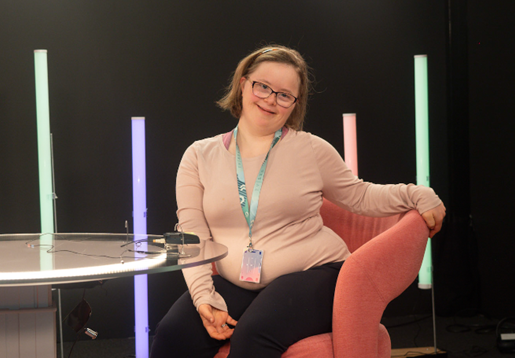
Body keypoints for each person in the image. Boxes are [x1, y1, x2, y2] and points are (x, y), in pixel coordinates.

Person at [150, 44, 446, 358]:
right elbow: (192, 236)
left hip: (318, 273)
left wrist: (418, 193)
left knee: (254, 334)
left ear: (294, 104)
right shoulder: (198, 156)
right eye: (262, 86)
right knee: (172, 336)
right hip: (237, 282)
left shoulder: (311, 150)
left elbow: (360, 196)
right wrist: (203, 297)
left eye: (284, 94)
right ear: (243, 84)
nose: (270, 100)